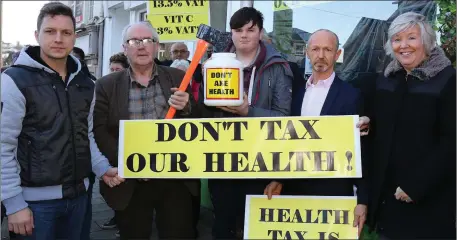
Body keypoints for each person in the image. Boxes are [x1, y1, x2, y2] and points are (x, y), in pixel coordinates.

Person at [0, 2, 123, 239]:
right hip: (34, 205)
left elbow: (85, 135)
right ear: (37, 35)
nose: (59, 39)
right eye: (50, 31)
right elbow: (3, 146)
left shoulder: (87, 84)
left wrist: (102, 169)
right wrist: (14, 204)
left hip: (79, 198)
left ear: (74, 37)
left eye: (66, 32)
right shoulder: (14, 80)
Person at [93, 21, 200, 240]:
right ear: (125, 48)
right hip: (130, 181)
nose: (141, 46)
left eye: (147, 41)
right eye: (134, 41)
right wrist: (128, 161)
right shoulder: (106, 85)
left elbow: (201, 123)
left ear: (156, 46)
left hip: (174, 181)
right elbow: (100, 130)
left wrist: (188, 107)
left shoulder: (179, 78)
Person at [358, 12, 456, 239]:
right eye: (397, 39)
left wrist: (416, 186)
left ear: (427, 41)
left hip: (427, 202)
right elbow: (384, 123)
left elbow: (452, 141)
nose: (403, 46)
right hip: (387, 202)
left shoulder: (448, 80)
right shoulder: (387, 79)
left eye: (411, 38)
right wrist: (369, 123)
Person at [263, 29, 370, 236]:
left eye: (328, 49)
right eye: (315, 49)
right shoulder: (294, 93)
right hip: (294, 192)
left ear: (338, 55)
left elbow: (360, 150)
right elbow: (288, 142)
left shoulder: (352, 95)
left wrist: (362, 199)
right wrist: (279, 179)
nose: (321, 55)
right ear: (307, 52)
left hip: (333, 194)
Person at [198, 7, 293, 239]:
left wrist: (247, 111)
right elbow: (202, 112)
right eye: (238, 30)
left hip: (260, 161)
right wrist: (202, 84)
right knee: (222, 225)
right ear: (231, 33)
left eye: (250, 30)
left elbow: (284, 120)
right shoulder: (214, 63)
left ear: (260, 32)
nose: (243, 35)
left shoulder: (278, 67)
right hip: (223, 160)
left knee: (256, 229)